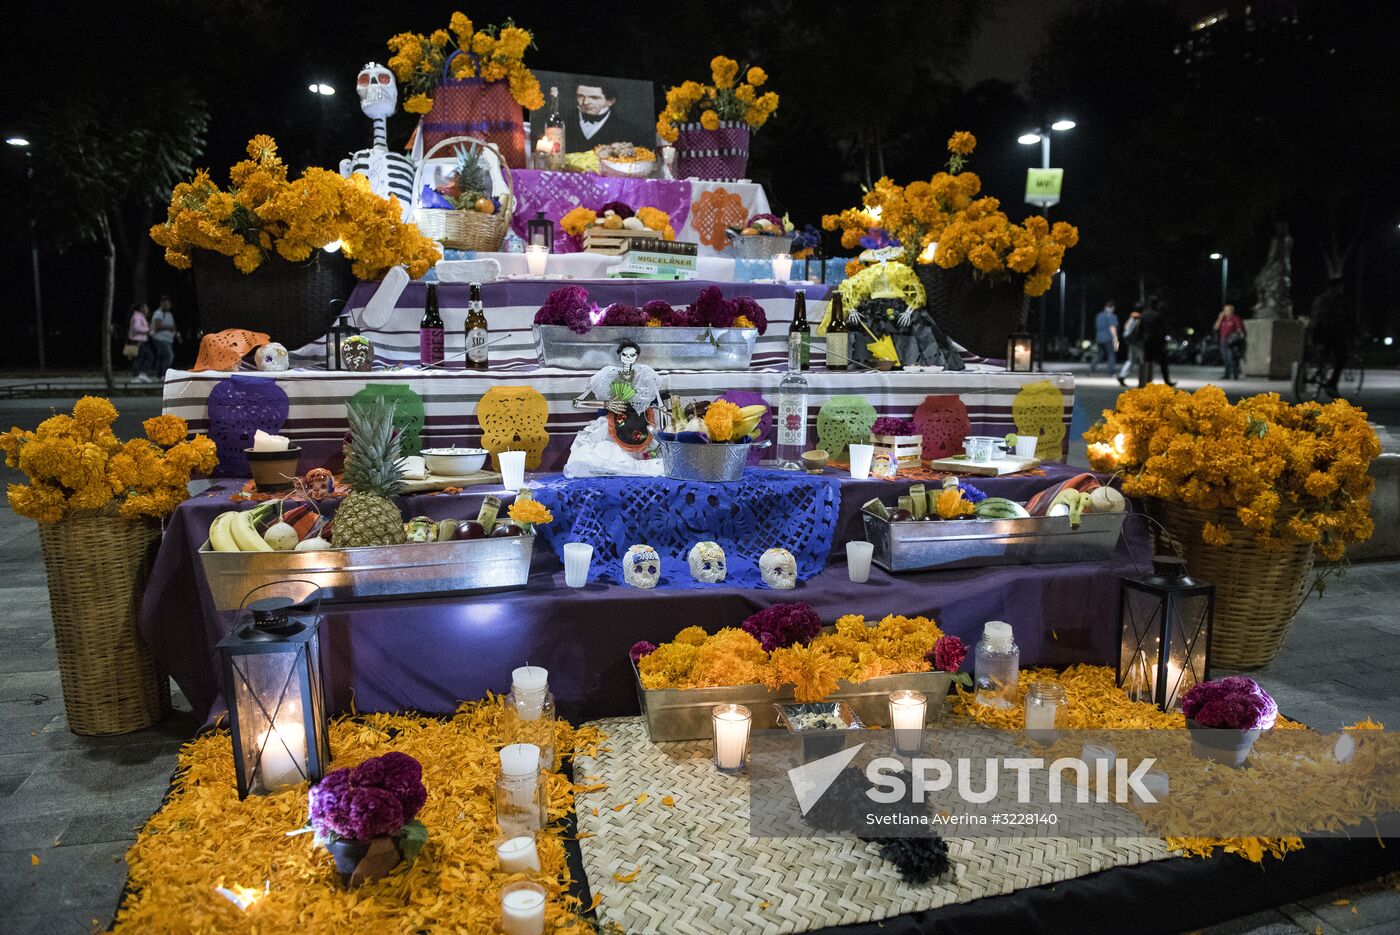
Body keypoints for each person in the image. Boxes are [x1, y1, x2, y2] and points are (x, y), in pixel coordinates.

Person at [570, 82, 645, 148]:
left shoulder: (630, 131)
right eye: (580, 96)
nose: (585, 102)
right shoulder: (563, 123)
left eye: (594, 97)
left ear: (610, 101)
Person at [1310, 278, 1352, 394]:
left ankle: (1320, 371)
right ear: (1338, 288)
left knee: (1324, 354)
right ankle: (1332, 385)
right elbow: (1348, 319)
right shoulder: (1340, 301)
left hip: (1317, 332)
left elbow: (1314, 315)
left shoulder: (1320, 299)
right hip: (1332, 333)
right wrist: (1356, 333)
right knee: (1342, 358)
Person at [1137, 297, 1175, 388]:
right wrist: (1164, 342)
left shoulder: (1144, 315)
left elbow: (1140, 329)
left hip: (1147, 341)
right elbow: (1162, 330)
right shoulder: (1158, 315)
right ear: (1156, 304)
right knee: (1163, 362)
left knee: (1147, 361)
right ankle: (1167, 381)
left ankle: (1145, 381)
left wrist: (1141, 340)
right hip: (1157, 341)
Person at [1213, 304, 1246, 380]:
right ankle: (1227, 374)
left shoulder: (1235, 319)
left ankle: (1235, 375)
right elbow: (1215, 328)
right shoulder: (1223, 319)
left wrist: (1240, 337)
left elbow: (1239, 329)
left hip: (1232, 341)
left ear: (1232, 311)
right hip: (1223, 340)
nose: (1226, 312)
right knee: (1225, 358)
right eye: (1225, 310)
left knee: (1232, 357)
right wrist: (1220, 318)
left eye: (1228, 310)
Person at [150, 294, 177, 379]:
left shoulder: (169, 313)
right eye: (165, 303)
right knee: (169, 356)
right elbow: (158, 326)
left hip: (168, 339)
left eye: (168, 303)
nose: (167, 305)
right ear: (161, 303)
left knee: (161, 357)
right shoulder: (159, 313)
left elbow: (173, 326)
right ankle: (165, 375)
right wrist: (170, 327)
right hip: (160, 339)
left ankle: (159, 375)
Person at [127, 302, 155, 382]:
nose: (147, 309)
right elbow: (136, 328)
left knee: (148, 357)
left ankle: (142, 374)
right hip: (138, 341)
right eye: (146, 307)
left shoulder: (140, 316)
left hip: (143, 341)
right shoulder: (136, 316)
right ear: (141, 308)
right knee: (140, 358)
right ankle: (135, 376)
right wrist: (148, 330)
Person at [1089, 300, 1118, 374]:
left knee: (1099, 354)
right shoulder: (1112, 316)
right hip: (1108, 338)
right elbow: (1112, 327)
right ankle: (1111, 371)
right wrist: (1115, 338)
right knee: (1111, 354)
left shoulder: (1099, 315)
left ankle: (1092, 367)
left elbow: (1096, 326)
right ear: (1112, 307)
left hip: (1099, 338)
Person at [1116, 307, 1144, 387]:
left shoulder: (1131, 318)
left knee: (1131, 360)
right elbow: (1139, 330)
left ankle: (1122, 375)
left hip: (1130, 341)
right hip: (1136, 342)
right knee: (1142, 360)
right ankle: (1142, 381)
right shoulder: (1139, 318)